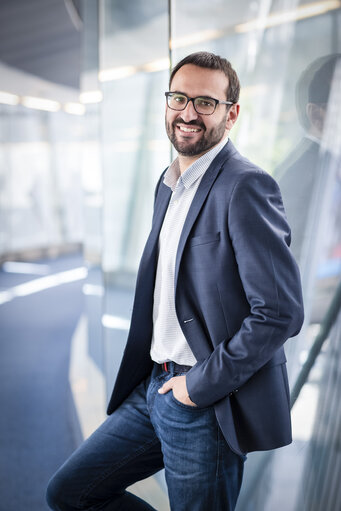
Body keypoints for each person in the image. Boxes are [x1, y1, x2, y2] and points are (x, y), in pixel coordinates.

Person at [46, 51, 304, 511]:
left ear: (232, 113)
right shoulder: (168, 184)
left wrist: (198, 386)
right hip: (154, 388)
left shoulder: (245, 186)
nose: (188, 113)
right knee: (71, 493)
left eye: (205, 103)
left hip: (203, 399)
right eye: (179, 98)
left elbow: (280, 312)